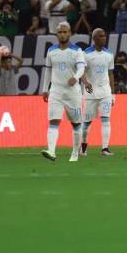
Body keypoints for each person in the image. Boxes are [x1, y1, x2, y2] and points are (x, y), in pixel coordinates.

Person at [40, 22, 86, 162]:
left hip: (73, 93)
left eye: (65, 32)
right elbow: (48, 70)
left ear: (70, 33)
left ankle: (75, 152)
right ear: (56, 34)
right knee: (54, 121)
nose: (62, 34)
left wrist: (76, 77)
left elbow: (81, 68)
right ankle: (51, 151)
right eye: (60, 32)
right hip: (56, 91)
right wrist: (44, 89)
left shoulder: (77, 51)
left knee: (76, 123)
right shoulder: (51, 51)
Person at [80, 28, 115, 156]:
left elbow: (111, 74)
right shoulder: (86, 54)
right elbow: (81, 72)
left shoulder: (109, 54)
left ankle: (105, 148)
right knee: (87, 122)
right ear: (94, 39)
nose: (104, 38)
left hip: (105, 92)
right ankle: (83, 146)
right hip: (91, 94)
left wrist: (113, 93)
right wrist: (86, 82)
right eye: (101, 36)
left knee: (106, 119)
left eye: (104, 36)